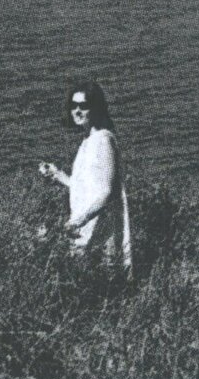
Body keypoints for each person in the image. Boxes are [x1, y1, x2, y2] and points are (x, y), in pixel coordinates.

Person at [37, 80, 134, 275]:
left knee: (102, 286)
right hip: (86, 228)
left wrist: (76, 222)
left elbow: (105, 192)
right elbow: (86, 187)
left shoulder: (104, 140)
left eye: (84, 106)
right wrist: (57, 175)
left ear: (95, 108)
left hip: (99, 230)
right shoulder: (87, 140)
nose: (77, 111)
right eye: (74, 106)